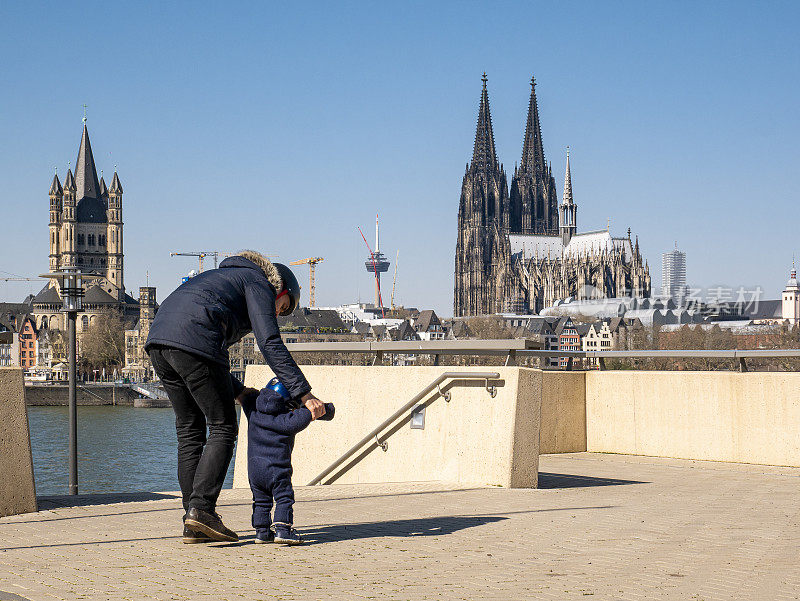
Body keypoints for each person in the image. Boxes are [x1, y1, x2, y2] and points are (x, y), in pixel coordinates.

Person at [145, 250, 326, 543]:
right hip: (192, 341)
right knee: (224, 427)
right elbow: (268, 342)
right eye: (283, 306)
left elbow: (208, 352)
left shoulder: (223, 277)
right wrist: (303, 394)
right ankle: (201, 510)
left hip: (158, 341)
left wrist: (239, 391)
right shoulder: (257, 283)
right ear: (279, 289)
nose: (279, 312)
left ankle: (193, 520)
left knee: (190, 431)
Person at [239, 378, 335, 545]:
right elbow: (318, 412)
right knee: (284, 497)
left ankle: (262, 532)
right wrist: (322, 407)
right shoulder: (289, 419)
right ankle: (283, 530)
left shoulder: (253, 410)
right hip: (277, 469)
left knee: (261, 500)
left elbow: (245, 397)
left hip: (254, 469)